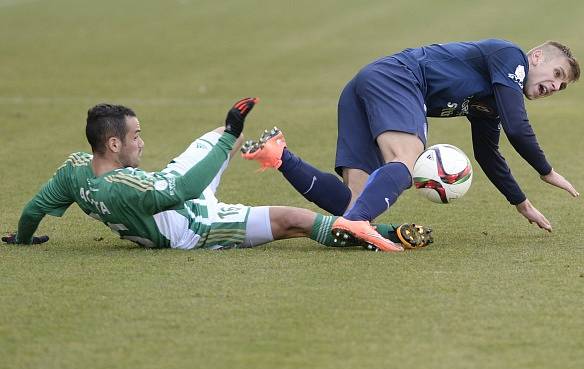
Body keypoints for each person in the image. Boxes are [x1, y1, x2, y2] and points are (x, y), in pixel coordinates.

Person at [1, 98, 433, 252]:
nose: (141, 143)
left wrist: (23, 238)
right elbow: (184, 189)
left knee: (211, 136)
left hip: (171, 189)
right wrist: (229, 139)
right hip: (191, 226)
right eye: (135, 137)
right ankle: (382, 233)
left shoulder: (76, 170)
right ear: (113, 145)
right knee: (293, 221)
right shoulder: (123, 189)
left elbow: (35, 207)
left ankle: (270, 154)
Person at [242, 39, 580, 233]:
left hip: (369, 83)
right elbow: (518, 127)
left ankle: (280, 156)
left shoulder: (493, 99)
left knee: (353, 201)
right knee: (407, 161)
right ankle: (357, 225)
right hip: (399, 78)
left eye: (561, 86)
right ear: (536, 57)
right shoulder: (511, 57)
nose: (554, 86)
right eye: (556, 74)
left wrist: (521, 203)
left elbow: (488, 153)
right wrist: (546, 171)